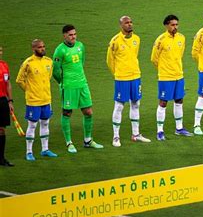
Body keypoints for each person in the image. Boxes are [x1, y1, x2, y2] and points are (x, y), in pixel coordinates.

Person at [53, 24, 103, 153]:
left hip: (82, 84)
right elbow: (56, 70)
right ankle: (69, 143)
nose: (73, 36)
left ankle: (88, 140)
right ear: (64, 36)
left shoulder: (81, 46)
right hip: (68, 86)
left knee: (88, 112)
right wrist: (62, 83)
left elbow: (82, 62)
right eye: (70, 35)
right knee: (67, 113)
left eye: (74, 34)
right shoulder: (60, 50)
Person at [106, 16, 150, 147]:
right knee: (119, 106)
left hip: (135, 76)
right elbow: (109, 60)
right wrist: (118, 73)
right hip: (122, 78)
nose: (130, 25)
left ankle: (136, 135)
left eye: (131, 22)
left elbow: (134, 57)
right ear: (121, 25)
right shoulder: (115, 41)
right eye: (126, 23)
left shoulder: (137, 39)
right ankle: (115, 137)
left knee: (136, 103)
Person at [151, 15, 193, 140]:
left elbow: (179, 55)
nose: (175, 27)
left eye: (176, 24)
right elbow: (154, 59)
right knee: (163, 102)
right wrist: (165, 69)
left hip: (179, 75)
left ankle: (179, 128)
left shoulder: (181, 38)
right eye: (172, 25)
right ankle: (159, 131)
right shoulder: (161, 40)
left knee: (179, 100)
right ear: (166, 25)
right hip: (165, 77)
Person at [16, 39, 58, 161]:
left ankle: (45, 149)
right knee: (32, 125)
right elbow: (19, 80)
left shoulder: (49, 61)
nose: (43, 49)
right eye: (40, 47)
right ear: (34, 49)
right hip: (33, 101)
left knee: (45, 123)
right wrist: (29, 91)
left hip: (46, 99)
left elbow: (48, 77)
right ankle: (29, 152)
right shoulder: (28, 63)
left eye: (44, 46)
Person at [0, 46, 14, 166]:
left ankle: (1, 158)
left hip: (3, 101)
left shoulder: (4, 65)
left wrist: (10, 101)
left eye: (0, 51)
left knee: (2, 130)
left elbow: (8, 83)